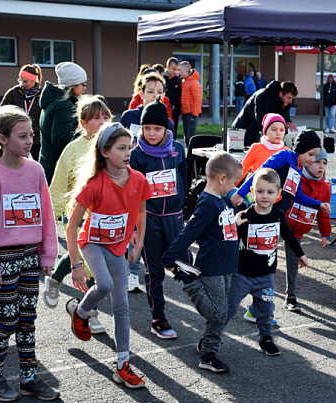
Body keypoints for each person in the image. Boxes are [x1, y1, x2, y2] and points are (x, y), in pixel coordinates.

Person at [0, 105, 59, 402]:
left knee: (27, 317)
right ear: (2, 139)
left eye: (31, 135)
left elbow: (46, 215)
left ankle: (28, 377)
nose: (30, 141)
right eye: (22, 136)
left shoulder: (35, 171)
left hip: (29, 255)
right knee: (7, 319)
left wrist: (48, 255)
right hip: (3, 258)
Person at [64, 123, 152, 389]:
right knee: (105, 284)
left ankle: (123, 365)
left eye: (130, 147)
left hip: (118, 246)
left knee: (121, 306)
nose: (128, 153)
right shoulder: (95, 184)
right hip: (92, 243)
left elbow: (142, 212)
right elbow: (71, 225)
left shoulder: (138, 179)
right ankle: (81, 311)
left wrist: (138, 241)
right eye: (121, 148)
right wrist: (76, 265)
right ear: (104, 152)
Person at [161, 153, 243, 373]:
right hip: (213, 268)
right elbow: (189, 232)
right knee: (217, 314)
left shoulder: (222, 201)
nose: (235, 187)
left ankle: (207, 346)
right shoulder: (207, 204)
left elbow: (222, 229)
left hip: (227, 267)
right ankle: (190, 281)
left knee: (222, 312)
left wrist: (237, 218)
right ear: (222, 178)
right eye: (234, 182)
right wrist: (169, 258)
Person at [44, 95, 112, 335]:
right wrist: (52, 216)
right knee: (86, 260)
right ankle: (89, 314)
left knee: (95, 264)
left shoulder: (112, 146)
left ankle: (65, 289)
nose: (102, 121)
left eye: (106, 117)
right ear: (82, 123)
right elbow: (60, 182)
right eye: (96, 118)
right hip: (77, 213)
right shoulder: (73, 148)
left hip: (102, 217)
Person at [225, 168, 308, 356]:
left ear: (278, 194)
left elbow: (288, 235)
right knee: (228, 308)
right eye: (260, 191)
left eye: (270, 192)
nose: (264, 196)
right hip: (242, 275)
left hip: (266, 277)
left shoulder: (278, 215)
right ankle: (211, 337)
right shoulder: (245, 215)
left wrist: (300, 254)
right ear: (252, 192)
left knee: (266, 309)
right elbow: (228, 239)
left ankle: (266, 338)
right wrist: (235, 225)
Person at [129, 100, 191, 340]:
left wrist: (182, 209)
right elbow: (133, 194)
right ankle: (158, 317)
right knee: (154, 271)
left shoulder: (177, 149)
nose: (151, 133)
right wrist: (135, 226)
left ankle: (205, 304)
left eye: (157, 128)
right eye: (147, 128)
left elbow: (183, 179)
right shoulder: (136, 155)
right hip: (150, 220)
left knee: (186, 264)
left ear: (167, 129)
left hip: (174, 218)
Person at [285, 149, 331, 312]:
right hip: (281, 223)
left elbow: (323, 213)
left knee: (293, 263)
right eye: (317, 162)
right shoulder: (296, 178)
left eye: (324, 163)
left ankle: (290, 297)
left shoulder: (325, 188)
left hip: (298, 230)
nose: (321, 166)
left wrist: (325, 233)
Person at [39, 61, 87, 184]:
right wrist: (86, 134)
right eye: (83, 84)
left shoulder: (54, 101)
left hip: (49, 164)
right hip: (58, 167)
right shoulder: (63, 105)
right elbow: (59, 138)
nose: (85, 88)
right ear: (73, 85)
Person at [232, 80, 299, 147]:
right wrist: (283, 124)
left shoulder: (284, 102)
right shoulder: (263, 96)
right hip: (243, 131)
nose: (290, 101)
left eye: (292, 98)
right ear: (281, 94)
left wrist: (289, 125)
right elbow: (262, 120)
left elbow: (285, 118)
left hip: (256, 133)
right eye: (289, 97)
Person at [0, 64, 44, 160]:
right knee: (18, 164)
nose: (22, 83)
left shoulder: (42, 95)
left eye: (25, 81)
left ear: (34, 80)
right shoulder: (14, 93)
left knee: (39, 165)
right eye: (20, 80)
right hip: (18, 136)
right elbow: (1, 111)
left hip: (36, 138)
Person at [237, 113, 288, 187]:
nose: (278, 133)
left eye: (282, 130)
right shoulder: (256, 147)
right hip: (256, 190)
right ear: (265, 132)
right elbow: (242, 171)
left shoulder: (287, 151)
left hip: (278, 193)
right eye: (274, 129)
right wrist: (230, 188)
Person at [120, 73, 175, 137]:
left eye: (159, 92)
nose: (155, 96)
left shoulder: (168, 122)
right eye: (150, 91)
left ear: (163, 95)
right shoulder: (129, 116)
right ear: (142, 94)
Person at [179, 61, 202, 147]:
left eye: (180, 70)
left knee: (190, 136)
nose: (179, 72)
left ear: (185, 70)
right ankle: (189, 155)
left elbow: (198, 99)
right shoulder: (184, 81)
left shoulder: (194, 83)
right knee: (186, 136)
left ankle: (191, 156)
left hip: (191, 114)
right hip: (186, 113)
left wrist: (194, 115)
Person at [165, 57, 183, 129]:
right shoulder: (162, 79)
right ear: (167, 67)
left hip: (175, 111)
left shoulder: (178, 80)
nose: (175, 71)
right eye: (173, 69)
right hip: (165, 110)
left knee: (174, 130)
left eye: (177, 69)